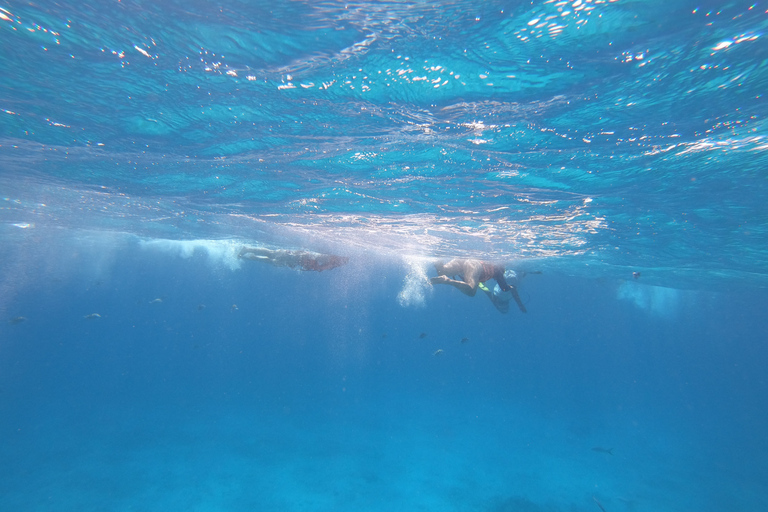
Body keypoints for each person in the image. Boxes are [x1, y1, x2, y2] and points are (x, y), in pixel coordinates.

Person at [430, 259, 527, 313]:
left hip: (462, 261)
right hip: (474, 265)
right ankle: (447, 281)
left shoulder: (494, 270)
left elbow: (489, 293)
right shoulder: (499, 271)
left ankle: (437, 259)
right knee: (471, 291)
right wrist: (519, 303)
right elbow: (505, 288)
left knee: (442, 271)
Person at [238, 246, 349, 272]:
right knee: (271, 255)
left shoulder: (330, 263)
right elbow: (316, 266)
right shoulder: (327, 259)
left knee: (272, 260)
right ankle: (247, 249)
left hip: (294, 260)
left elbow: (316, 267)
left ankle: (250, 256)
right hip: (293, 257)